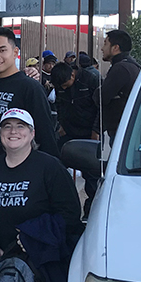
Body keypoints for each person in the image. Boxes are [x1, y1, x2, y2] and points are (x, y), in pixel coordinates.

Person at [0, 108, 83, 282]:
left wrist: (32, 236)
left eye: (20, 126)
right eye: (7, 126)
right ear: (0, 134)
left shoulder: (50, 167)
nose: (13, 131)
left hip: (39, 253)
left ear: (32, 133)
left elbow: (70, 215)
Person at [0, 27, 59, 161]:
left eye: (2, 50)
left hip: (22, 168)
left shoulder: (30, 87)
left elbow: (45, 133)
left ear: (15, 52)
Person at [50, 62, 100, 219]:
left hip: (89, 133)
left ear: (72, 75)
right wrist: (62, 124)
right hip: (69, 130)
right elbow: (60, 105)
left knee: (91, 176)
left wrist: (96, 132)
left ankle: (90, 213)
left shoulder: (91, 80)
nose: (64, 89)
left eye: (66, 85)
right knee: (54, 164)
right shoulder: (60, 84)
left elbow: (100, 109)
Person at [98, 29, 141, 143]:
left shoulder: (120, 69)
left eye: (105, 43)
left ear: (115, 47)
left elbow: (101, 98)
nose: (102, 48)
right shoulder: (132, 66)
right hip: (129, 130)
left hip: (121, 132)